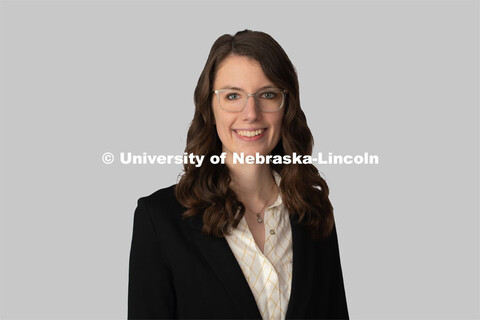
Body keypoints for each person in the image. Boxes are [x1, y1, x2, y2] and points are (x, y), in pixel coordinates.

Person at [128, 30, 349, 319]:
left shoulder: (313, 210)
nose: (251, 113)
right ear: (210, 107)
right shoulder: (159, 219)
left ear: (287, 105)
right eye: (233, 96)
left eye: (267, 95)